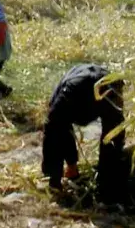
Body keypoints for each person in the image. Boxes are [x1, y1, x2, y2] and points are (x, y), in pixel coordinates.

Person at [41, 63, 129, 197]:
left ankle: (107, 184)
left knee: (113, 135)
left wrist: (56, 177)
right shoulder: (63, 98)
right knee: (113, 134)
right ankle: (107, 185)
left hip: (98, 85)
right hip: (107, 82)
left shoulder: (64, 98)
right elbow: (61, 129)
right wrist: (71, 164)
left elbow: (55, 129)